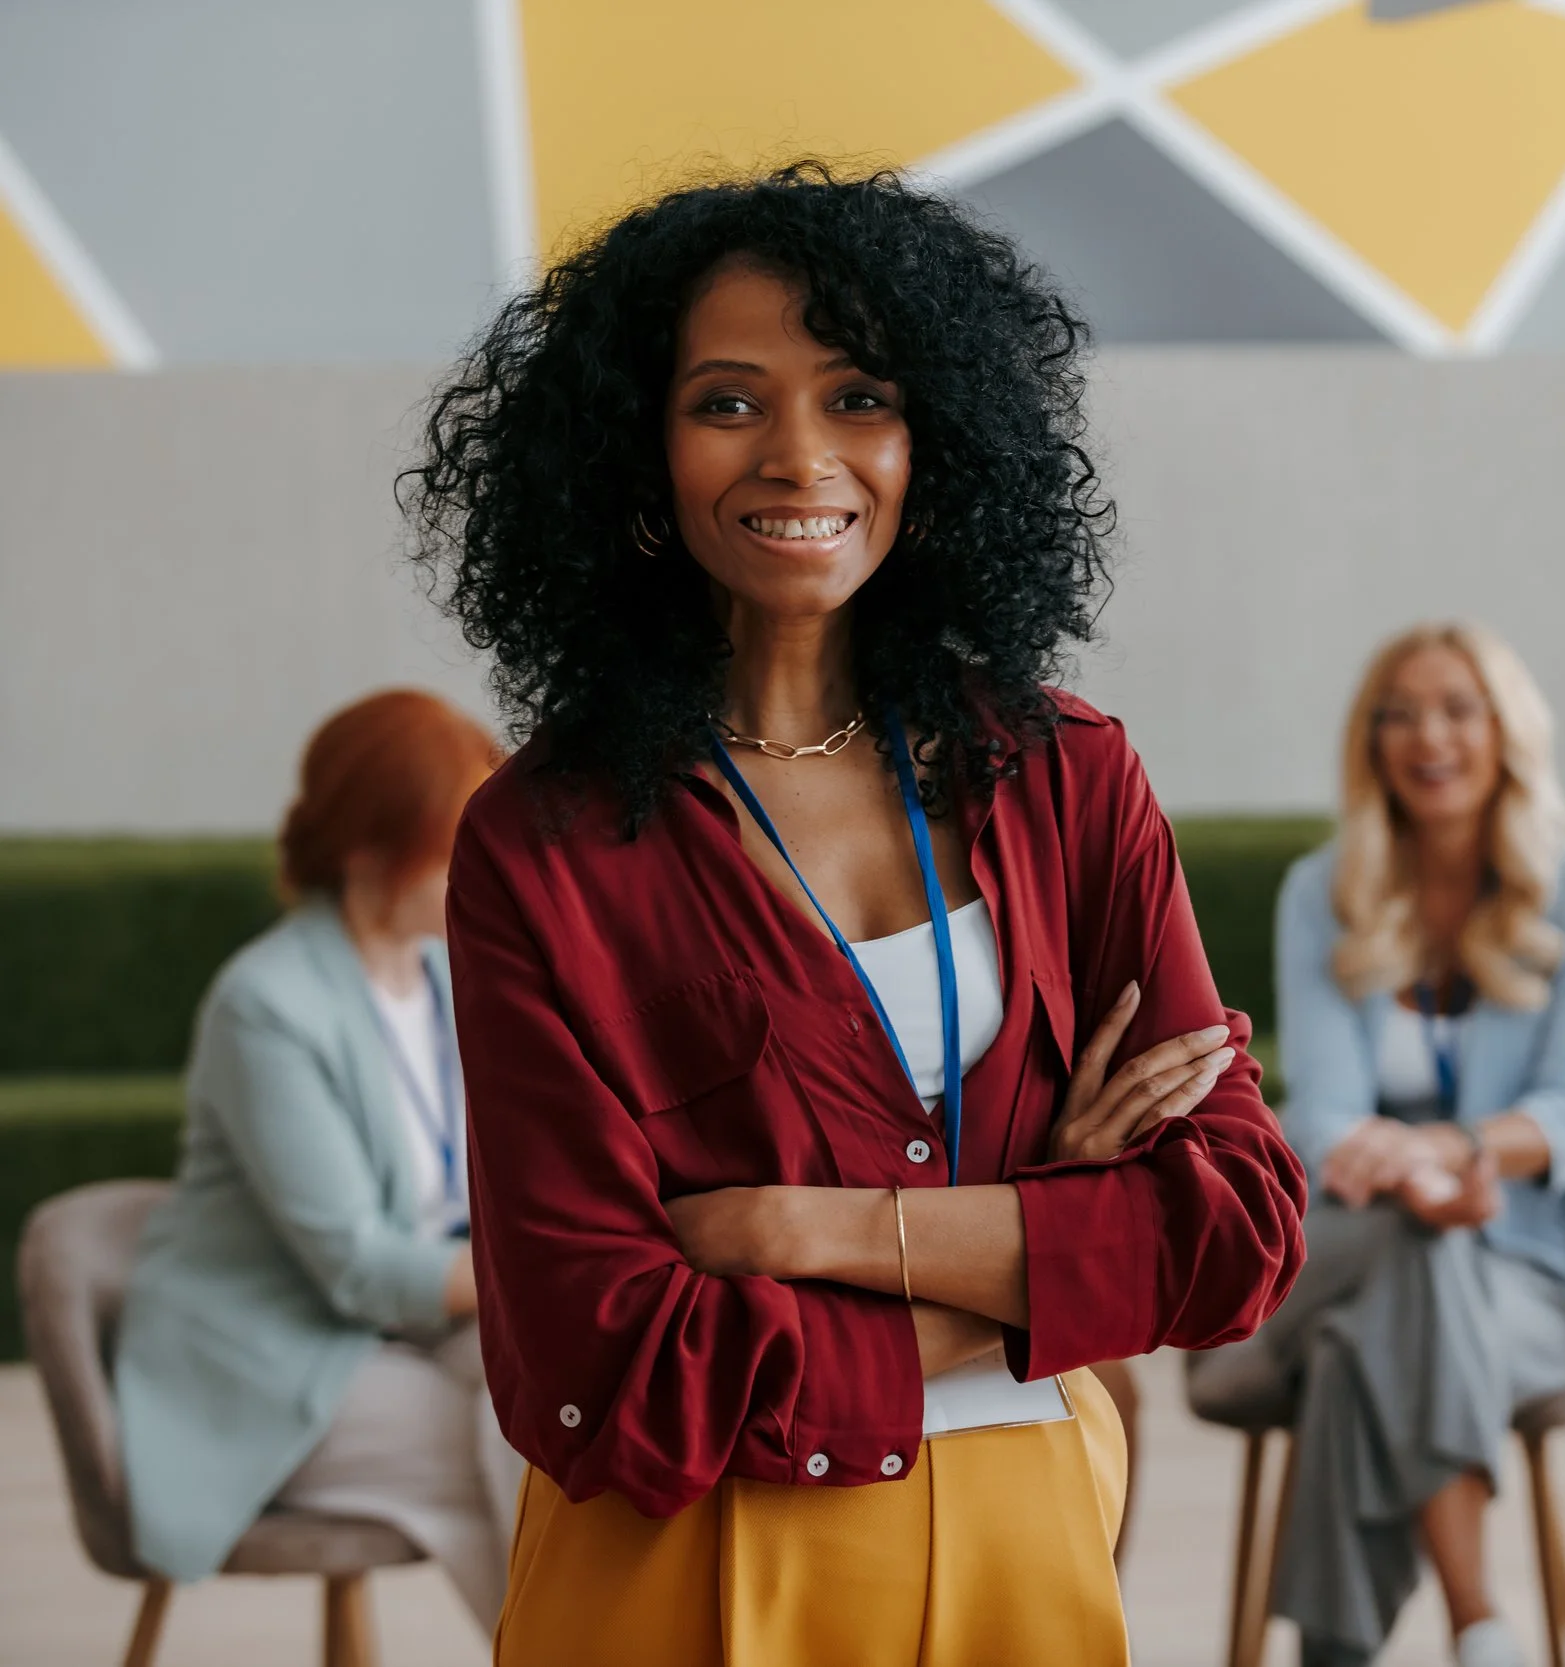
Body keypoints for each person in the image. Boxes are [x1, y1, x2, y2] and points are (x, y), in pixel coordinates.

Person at [404, 163, 1306, 1665]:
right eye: (729, 402)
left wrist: (792, 1225)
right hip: (687, 1555)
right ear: (638, 455)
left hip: (1029, 1534)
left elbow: (1233, 1228)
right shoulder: (543, 842)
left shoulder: (1071, 775)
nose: (802, 454)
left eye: (859, 395)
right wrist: (1046, 1239)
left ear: (931, 437)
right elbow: (602, 1361)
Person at [1187, 622, 1565, 1667]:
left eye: (1455, 707)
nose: (1424, 735)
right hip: (1368, 1230)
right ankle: (1476, 1621)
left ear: (1506, 731)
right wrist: (1411, 1171)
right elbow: (1317, 1108)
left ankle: (1340, 1650)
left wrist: (1444, 1152)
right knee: (1415, 1245)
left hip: (1539, 1269)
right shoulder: (1323, 888)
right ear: (1369, 742)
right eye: (1396, 713)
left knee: (1369, 1340)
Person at [113, 689, 518, 1632]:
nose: (486, 863)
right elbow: (360, 1270)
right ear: (369, 848)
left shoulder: (450, 972)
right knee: (516, 1441)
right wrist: (541, 1268)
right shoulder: (267, 1006)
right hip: (269, 1360)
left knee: (565, 1392)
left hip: (412, 1326)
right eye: (455, 840)